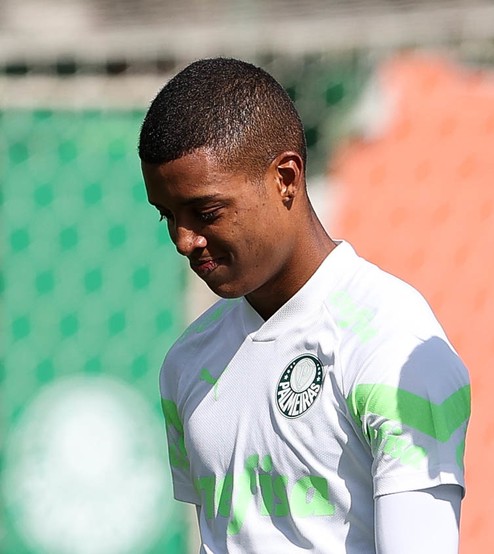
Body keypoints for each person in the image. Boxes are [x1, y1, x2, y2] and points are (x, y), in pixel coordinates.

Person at [139, 58, 470, 553]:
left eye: (206, 213)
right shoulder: (188, 362)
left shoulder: (391, 341)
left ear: (286, 178)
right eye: (167, 216)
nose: (184, 241)